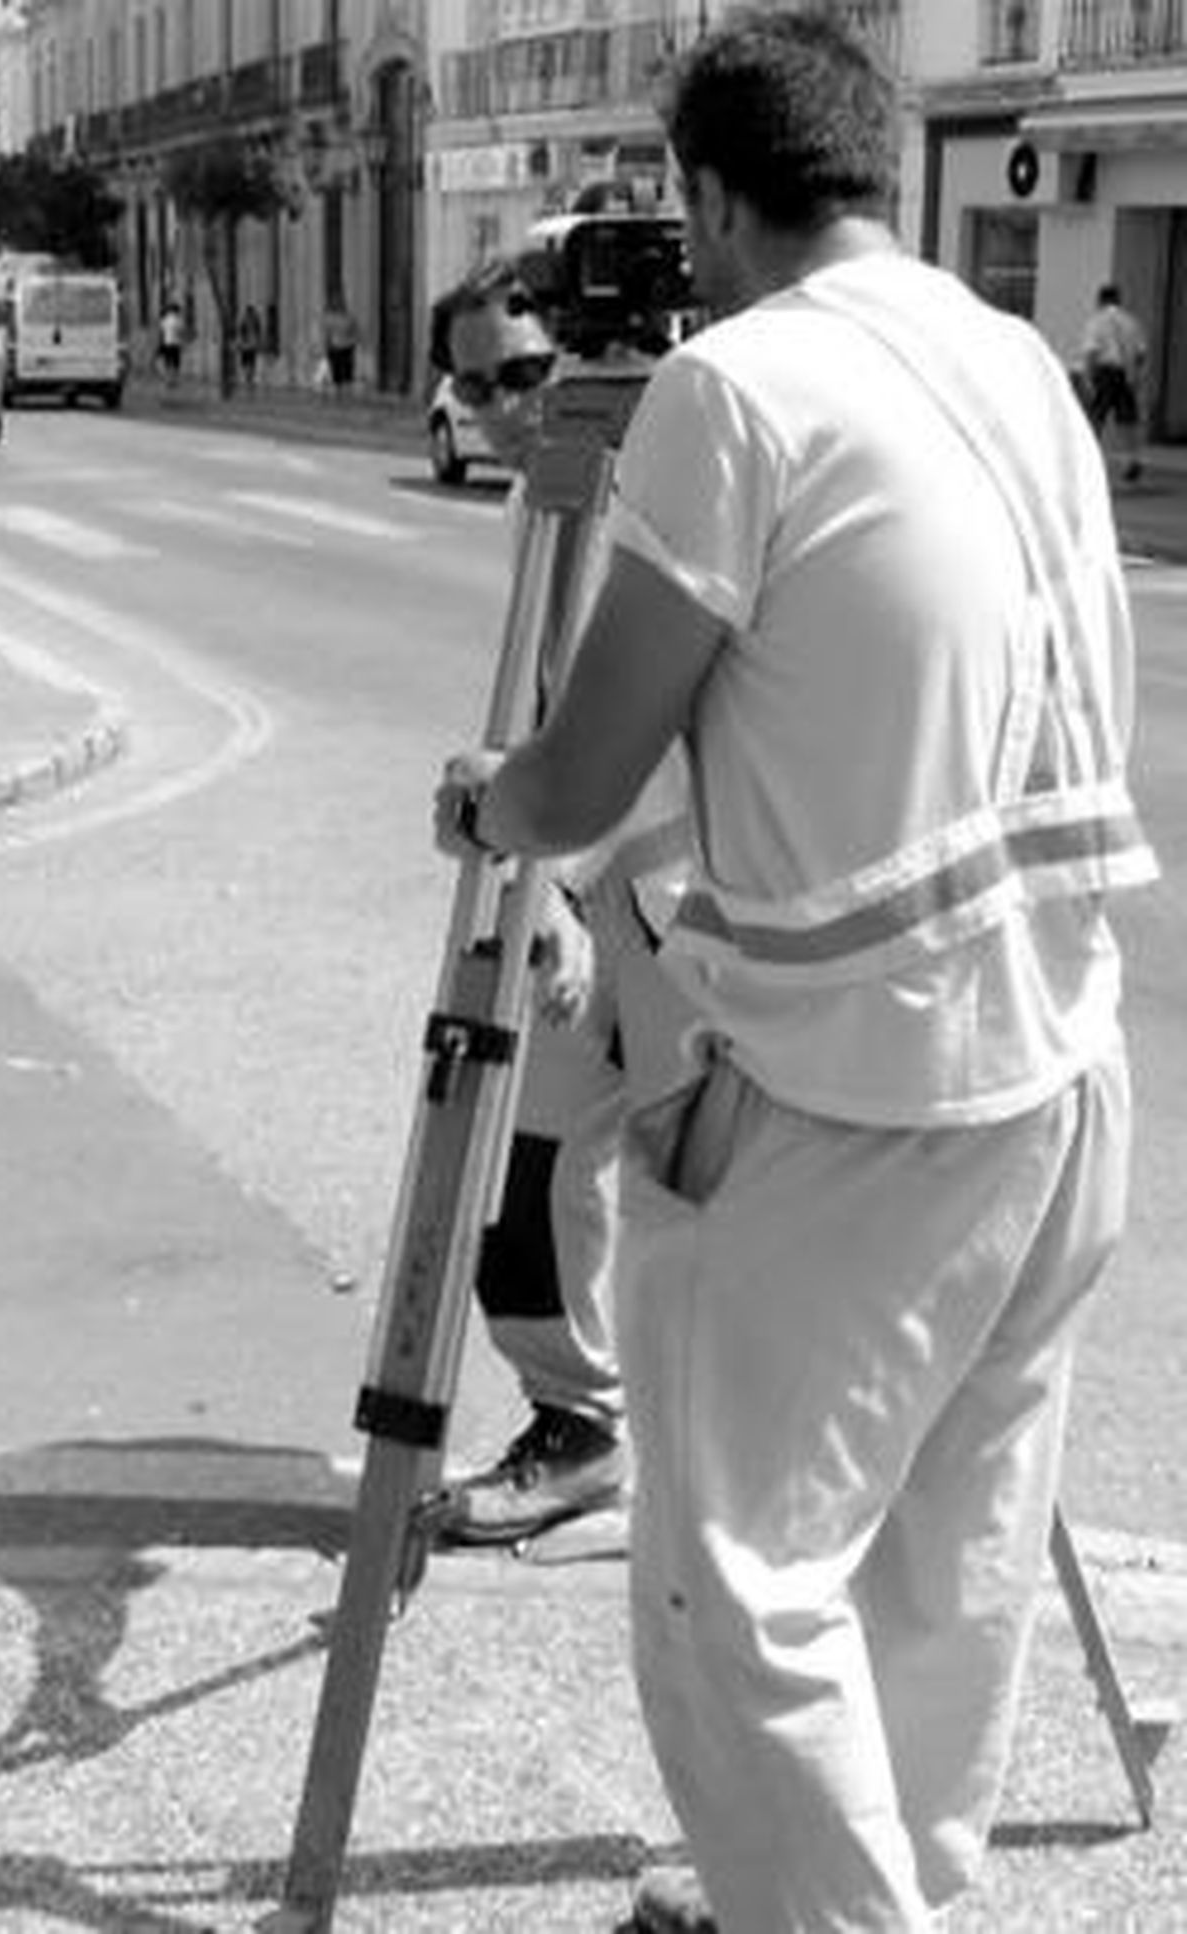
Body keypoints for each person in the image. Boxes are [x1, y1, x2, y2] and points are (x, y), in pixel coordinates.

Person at [433, 12, 1157, 1932]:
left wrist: (495, 798)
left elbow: (586, 769)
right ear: (881, 164)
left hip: (860, 1095)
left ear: (713, 195)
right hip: (1063, 1070)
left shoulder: (736, 390)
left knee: (736, 1587)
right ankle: (874, 1888)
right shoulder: (1012, 357)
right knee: (946, 1566)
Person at [427, 264, 698, 1546]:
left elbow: (653, 737)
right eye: (477, 382)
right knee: (521, 1177)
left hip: (685, 898)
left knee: (732, 1200)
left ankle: (745, 1468)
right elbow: (548, 716)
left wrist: (564, 881)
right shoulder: (536, 515)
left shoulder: (673, 498)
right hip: (582, 885)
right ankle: (578, 1426)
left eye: (528, 372)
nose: (505, 406)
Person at [1081, 282, 1147, 484]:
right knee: (1128, 420)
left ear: (1101, 300)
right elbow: (1141, 353)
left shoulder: (1097, 321)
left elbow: (1091, 352)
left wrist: (1088, 377)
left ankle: (1088, 461)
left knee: (1096, 418)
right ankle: (1133, 460)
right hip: (1126, 373)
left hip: (1104, 372)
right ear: (1118, 300)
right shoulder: (1131, 322)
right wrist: (1135, 375)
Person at [322, 296, 358, 390]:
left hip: (347, 346)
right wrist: (327, 345)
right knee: (337, 371)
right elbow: (327, 333)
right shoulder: (329, 318)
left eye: (340, 304)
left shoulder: (349, 317)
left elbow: (354, 330)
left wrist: (353, 341)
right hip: (335, 346)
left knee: (347, 370)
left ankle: (346, 388)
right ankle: (339, 389)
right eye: (336, 304)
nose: (339, 306)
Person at [157, 297, 185, 387]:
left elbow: (161, 330)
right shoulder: (177, 320)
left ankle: (168, 381)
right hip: (175, 344)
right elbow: (180, 331)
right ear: (176, 311)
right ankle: (174, 381)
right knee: (176, 364)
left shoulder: (165, 319)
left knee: (167, 363)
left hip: (167, 343)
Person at [236, 302, 263, 389]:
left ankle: (249, 379)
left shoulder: (250, 321)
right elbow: (241, 333)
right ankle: (248, 379)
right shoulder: (250, 321)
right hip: (248, 345)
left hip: (249, 345)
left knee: (249, 362)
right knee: (248, 363)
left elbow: (257, 332)